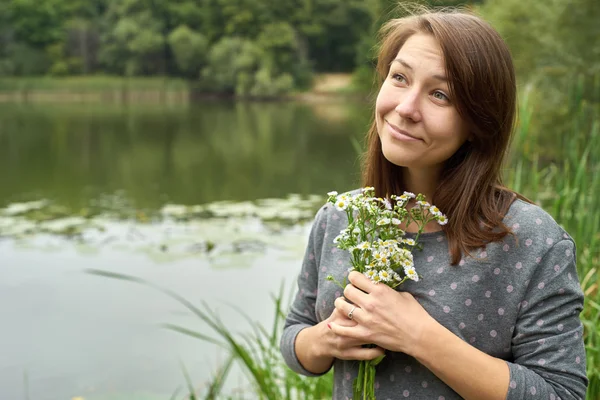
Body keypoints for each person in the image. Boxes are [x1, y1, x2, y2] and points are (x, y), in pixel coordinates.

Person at [280, 7, 588, 400]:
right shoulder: (341, 218)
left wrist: (417, 335)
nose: (406, 108)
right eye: (399, 77)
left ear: (480, 123)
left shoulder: (532, 241)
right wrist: (328, 339)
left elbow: (562, 393)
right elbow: (295, 337)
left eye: (439, 94)